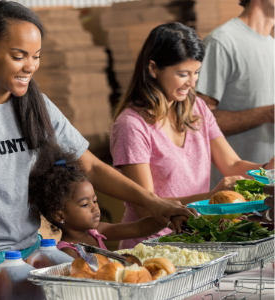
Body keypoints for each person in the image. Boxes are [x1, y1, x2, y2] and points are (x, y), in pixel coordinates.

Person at [0, 2, 194, 288]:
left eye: (36, 56)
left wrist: (154, 203)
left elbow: (92, 166)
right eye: (18, 56)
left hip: (31, 255)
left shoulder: (35, 104)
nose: (30, 66)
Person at [110, 22, 275, 250]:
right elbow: (146, 207)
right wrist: (211, 197)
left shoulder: (196, 108)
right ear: (153, 68)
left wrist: (267, 168)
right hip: (152, 247)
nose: (192, 82)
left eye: (196, 72)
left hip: (197, 241)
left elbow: (231, 164)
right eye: (182, 74)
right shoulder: (132, 125)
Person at [28, 144, 188, 259]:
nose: (95, 208)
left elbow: (138, 228)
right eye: (85, 204)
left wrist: (168, 220)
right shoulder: (67, 252)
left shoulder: (97, 232)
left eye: (95, 201)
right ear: (59, 215)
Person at [196, 0, 274, 189]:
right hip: (236, 197)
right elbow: (198, 122)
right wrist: (267, 113)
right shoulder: (221, 42)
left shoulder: (272, 45)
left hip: (269, 188)